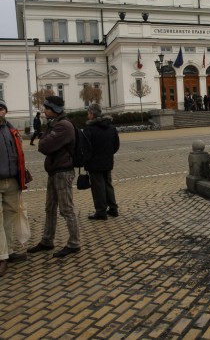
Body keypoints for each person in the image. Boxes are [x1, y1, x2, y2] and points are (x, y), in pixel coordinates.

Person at [27, 96, 81, 258]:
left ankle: (74, 243)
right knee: (50, 208)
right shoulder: (55, 124)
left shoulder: (63, 126)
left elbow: (43, 145)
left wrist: (43, 139)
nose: (44, 111)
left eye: (47, 108)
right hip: (55, 171)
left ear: (55, 110)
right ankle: (47, 240)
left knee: (66, 209)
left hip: (63, 172)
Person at [0, 99, 28, 276]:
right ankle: (1, 257)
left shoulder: (11, 130)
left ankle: (8, 251)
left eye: (1, 108)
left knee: (10, 217)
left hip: (12, 181)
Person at [83, 104, 120, 220]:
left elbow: (85, 147)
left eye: (88, 113)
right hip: (107, 161)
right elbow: (116, 146)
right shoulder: (111, 127)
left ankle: (101, 211)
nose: (87, 115)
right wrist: (108, 154)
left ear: (92, 114)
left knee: (98, 187)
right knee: (108, 184)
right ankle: (113, 208)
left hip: (94, 163)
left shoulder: (89, 129)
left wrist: (86, 159)